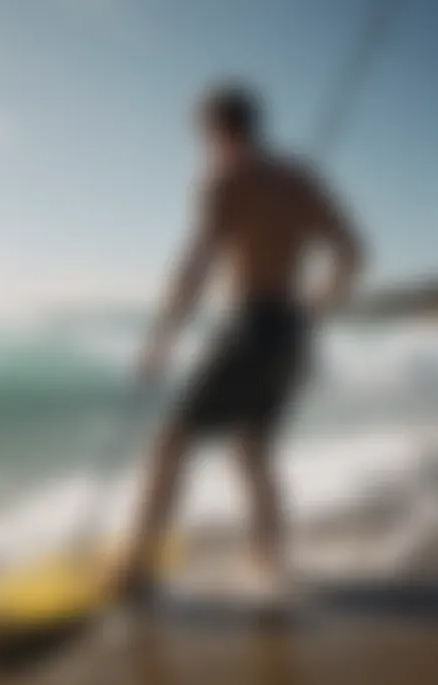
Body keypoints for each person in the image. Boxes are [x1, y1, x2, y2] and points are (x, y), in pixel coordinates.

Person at [113, 83, 364, 598]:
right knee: (252, 449)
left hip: (248, 326)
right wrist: (315, 306)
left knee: (170, 444)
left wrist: (160, 340)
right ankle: (269, 566)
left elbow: (196, 266)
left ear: (215, 130)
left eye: (202, 133)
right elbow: (352, 252)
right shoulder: (301, 180)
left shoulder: (222, 181)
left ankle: (135, 568)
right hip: (291, 332)